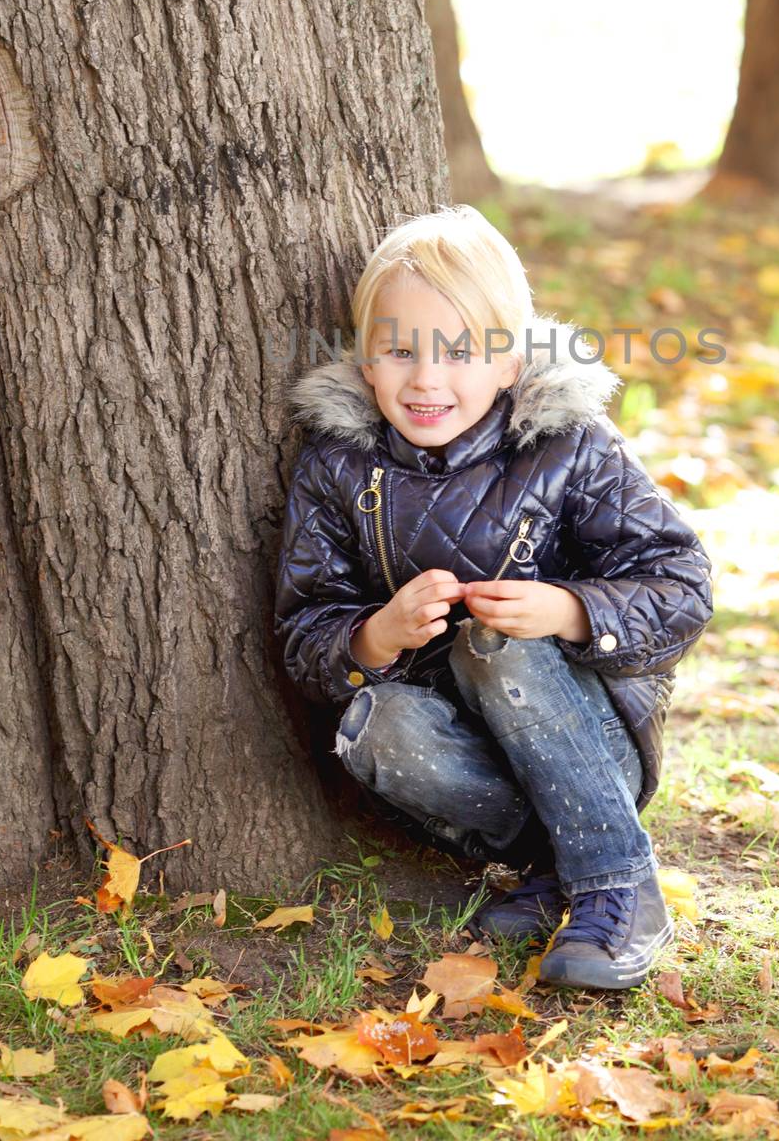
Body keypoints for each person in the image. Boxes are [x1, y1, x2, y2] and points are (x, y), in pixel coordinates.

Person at [274, 204, 714, 990]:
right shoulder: (338, 466)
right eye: (399, 350)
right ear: (365, 361)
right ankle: (560, 870)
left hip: (589, 737)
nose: (427, 377)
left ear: (510, 363)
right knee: (378, 726)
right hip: (467, 746)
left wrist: (569, 611)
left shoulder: (566, 445)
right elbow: (306, 624)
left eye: (460, 352)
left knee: (496, 640)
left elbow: (679, 583)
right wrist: (374, 635)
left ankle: (619, 881)